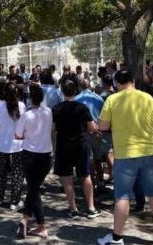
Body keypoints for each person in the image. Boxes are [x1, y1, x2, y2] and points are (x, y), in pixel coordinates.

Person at [98, 70, 153, 245]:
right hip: (149, 152)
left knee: (122, 196)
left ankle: (117, 238)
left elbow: (102, 126)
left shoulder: (112, 99)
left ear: (116, 83)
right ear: (133, 81)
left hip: (125, 154)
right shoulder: (148, 98)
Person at [53, 80, 101, 220]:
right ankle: (91, 208)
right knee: (85, 175)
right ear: (75, 91)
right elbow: (92, 128)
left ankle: (73, 209)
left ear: (62, 92)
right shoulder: (82, 108)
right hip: (81, 144)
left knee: (67, 178)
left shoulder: (56, 109)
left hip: (63, 145)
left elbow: (52, 128)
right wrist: (96, 129)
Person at [15, 85, 52, 239]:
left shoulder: (26, 115)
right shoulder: (49, 112)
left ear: (30, 98)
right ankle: (27, 219)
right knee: (33, 188)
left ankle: (38, 224)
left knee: (33, 189)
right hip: (46, 156)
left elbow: (17, 135)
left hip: (30, 155)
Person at [0, 82, 25, 210]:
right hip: (17, 144)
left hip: (3, 143)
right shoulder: (22, 105)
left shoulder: (0, 104)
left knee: (1, 172)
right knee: (17, 174)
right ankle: (14, 201)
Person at [75, 78, 105, 186]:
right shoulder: (99, 98)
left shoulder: (76, 99)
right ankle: (101, 182)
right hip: (98, 131)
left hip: (84, 132)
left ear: (79, 86)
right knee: (98, 158)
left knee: (89, 159)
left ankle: (91, 184)